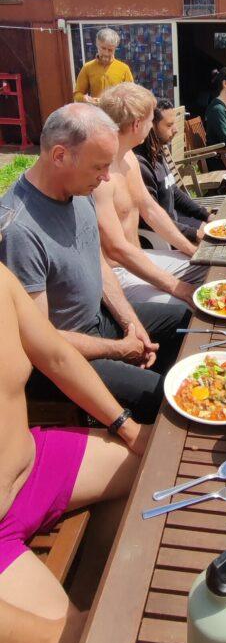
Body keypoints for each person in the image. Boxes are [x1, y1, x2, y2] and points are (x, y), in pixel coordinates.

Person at [0, 260, 149, 643]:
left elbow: (58, 357)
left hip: (32, 465)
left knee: (158, 469)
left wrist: (128, 428)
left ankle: (97, 590)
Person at [0, 104, 188, 423]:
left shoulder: (77, 187)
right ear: (60, 155)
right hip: (66, 357)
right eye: (99, 167)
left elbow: (98, 263)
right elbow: (41, 344)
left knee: (185, 321)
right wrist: (120, 349)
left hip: (99, 321)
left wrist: (131, 324)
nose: (105, 178)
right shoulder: (19, 231)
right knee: (164, 398)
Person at [97, 83, 204, 307]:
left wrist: (192, 251)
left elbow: (151, 210)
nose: (152, 126)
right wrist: (177, 287)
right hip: (118, 275)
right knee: (192, 305)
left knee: (209, 269)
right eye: (150, 120)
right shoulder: (100, 175)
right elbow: (116, 249)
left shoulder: (129, 158)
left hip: (141, 257)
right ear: (137, 124)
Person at [134, 99, 217, 244]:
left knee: (214, 228)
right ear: (151, 126)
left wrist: (206, 215)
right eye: (169, 125)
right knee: (212, 240)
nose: (176, 130)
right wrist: (193, 234)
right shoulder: (141, 164)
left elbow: (175, 193)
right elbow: (152, 220)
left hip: (175, 221)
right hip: (161, 238)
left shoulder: (158, 153)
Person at [73, 28, 133, 103]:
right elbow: (77, 94)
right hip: (95, 109)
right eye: (103, 48)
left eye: (110, 50)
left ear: (115, 48)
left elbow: (131, 94)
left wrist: (118, 101)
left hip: (116, 110)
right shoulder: (87, 67)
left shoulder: (124, 69)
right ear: (97, 45)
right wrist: (84, 99)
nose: (106, 53)